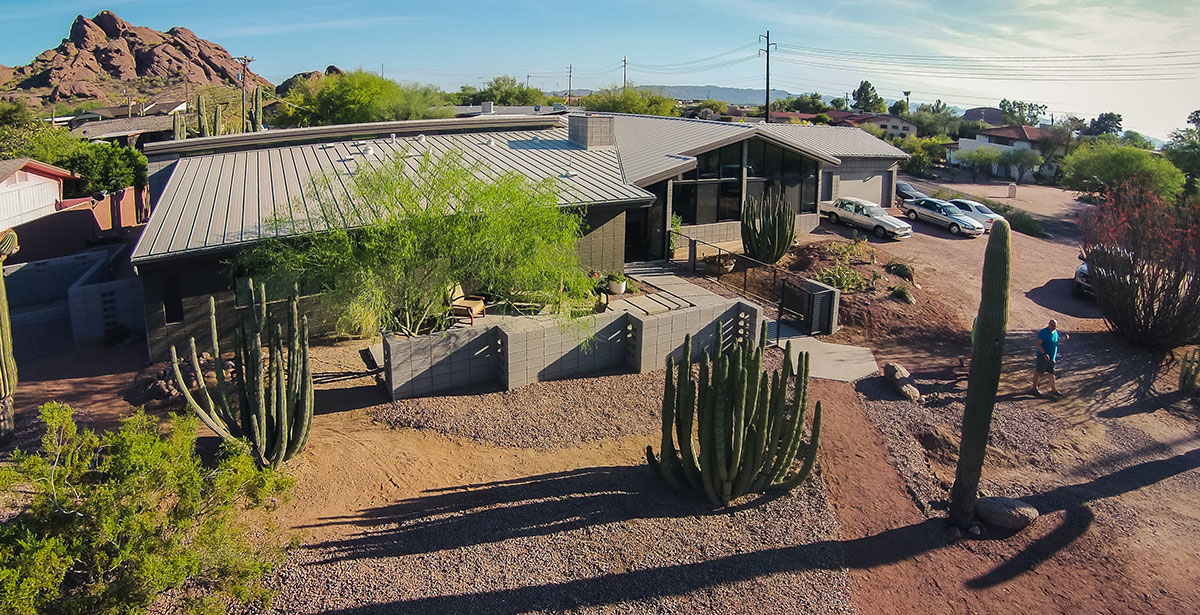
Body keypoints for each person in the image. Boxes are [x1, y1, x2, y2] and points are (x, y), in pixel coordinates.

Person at [1032, 319, 1069, 397]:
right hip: (1043, 356)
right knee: (1038, 371)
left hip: (1052, 357)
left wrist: (1064, 338)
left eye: (1055, 326)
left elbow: (1057, 341)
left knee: (1051, 373)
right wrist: (1044, 353)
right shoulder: (1043, 332)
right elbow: (1038, 344)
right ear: (1048, 324)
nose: (1053, 327)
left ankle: (1053, 390)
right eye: (1052, 325)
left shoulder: (1055, 332)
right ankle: (1034, 388)